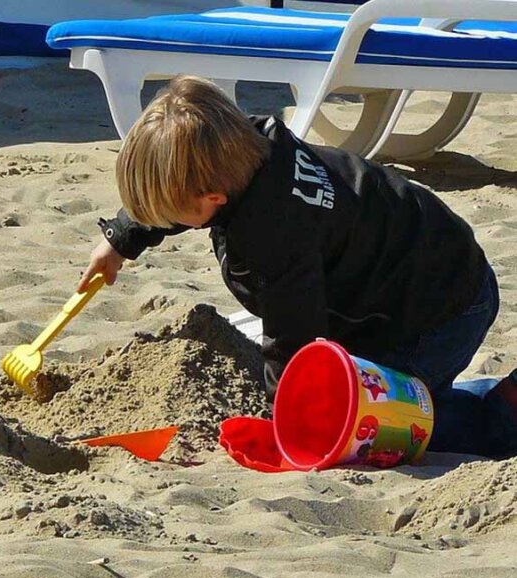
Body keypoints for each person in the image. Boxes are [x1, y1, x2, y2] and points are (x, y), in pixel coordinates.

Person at [79, 75, 517, 458]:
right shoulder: (247, 147)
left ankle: (504, 413)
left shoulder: (273, 238)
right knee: (370, 394)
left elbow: (292, 339)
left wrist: (285, 425)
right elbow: (183, 183)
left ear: (213, 199)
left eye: (167, 212)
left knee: (379, 425)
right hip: (418, 260)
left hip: (439, 309)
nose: (164, 219)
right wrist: (122, 238)